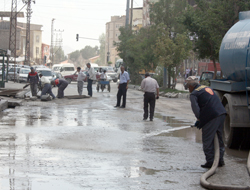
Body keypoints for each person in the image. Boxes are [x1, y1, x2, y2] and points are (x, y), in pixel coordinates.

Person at [186, 76, 227, 168]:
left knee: (207, 139)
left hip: (211, 116)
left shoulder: (194, 94)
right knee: (219, 138)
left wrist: (200, 119)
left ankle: (210, 162)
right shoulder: (206, 88)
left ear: (191, 86)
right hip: (221, 113)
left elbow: (196, 110)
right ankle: (220, 160)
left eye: (188, 86)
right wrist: (199, 120)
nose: (188, 89)